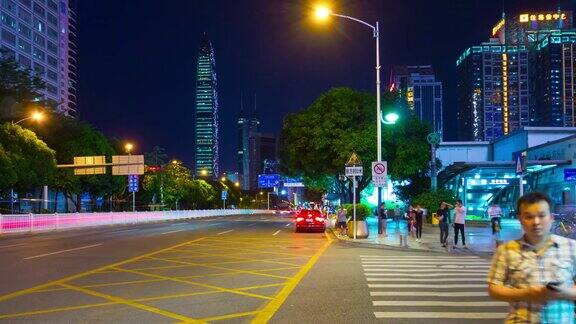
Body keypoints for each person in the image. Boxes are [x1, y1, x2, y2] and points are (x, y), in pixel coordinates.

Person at [487, 192, 576, 323]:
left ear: (551, 217)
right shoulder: (505, 250)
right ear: (520, 218)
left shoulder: (571, 247)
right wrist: (526, 293)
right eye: (529, 217)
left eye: (541, 215)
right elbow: (493, 289)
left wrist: (562, 292)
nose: (536, 222)